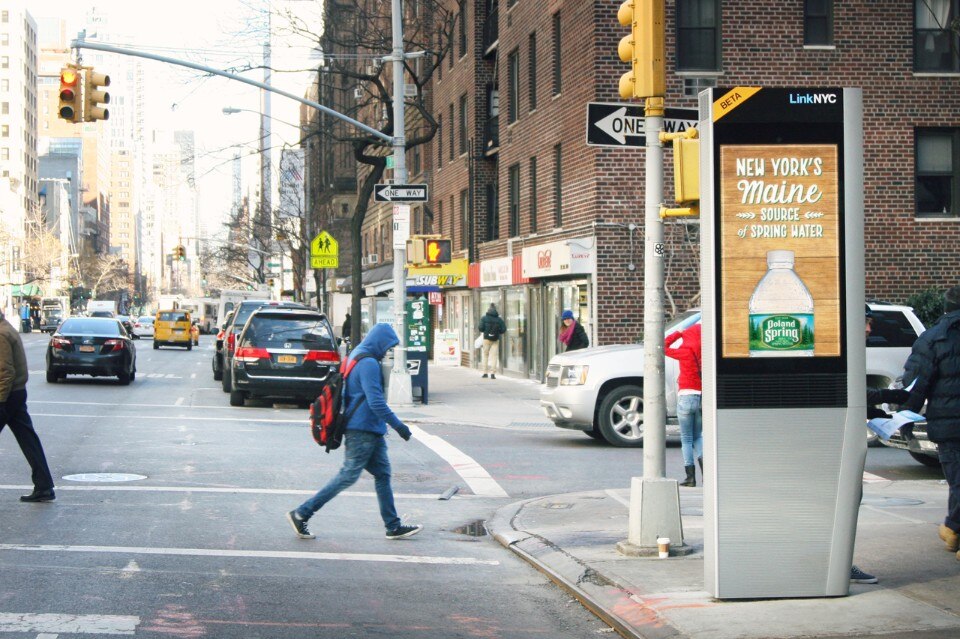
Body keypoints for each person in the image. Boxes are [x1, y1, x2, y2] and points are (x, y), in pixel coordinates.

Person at [287, 323, 421, 540]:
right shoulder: (368, 363)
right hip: (363, 429)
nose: (387, 352)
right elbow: (375, 402)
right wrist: (399, 426)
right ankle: (302, 513)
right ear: (379, 342)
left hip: (367, 428)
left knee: (382, 475)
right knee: (348, 475)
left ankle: (393, 525)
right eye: (387, 347)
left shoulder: (356, 355)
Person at [900, 285, 960, 563]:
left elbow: (915, 385)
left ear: (945, 308)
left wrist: (905, 419)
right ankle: (953, 529)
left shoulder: (933, 339)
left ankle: (953, 529)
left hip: (950, 427)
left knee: (957, 480)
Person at [0, 308, 56, 502]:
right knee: (28, 440)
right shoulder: (6, 328)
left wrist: (1, 401)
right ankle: (44, 485)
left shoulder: (1, 333)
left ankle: (44, 486)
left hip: (7, 397)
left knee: (28, 439)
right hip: (15, 394)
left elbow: (5, 372)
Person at [664, 323, 702, 487]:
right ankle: (707, 476)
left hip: (686, 397)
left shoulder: (684, 352)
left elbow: (663, 347)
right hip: (700, 397)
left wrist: (679, 333)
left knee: (686, 439)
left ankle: (690, 478)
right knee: (698, 437)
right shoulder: (704, 353)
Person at [477, 304, 506, 379]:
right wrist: (497, 332)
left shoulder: (484, 318)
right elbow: (504, 329)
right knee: (494, 356)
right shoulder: (499, 319)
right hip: (495, 339)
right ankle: (493, 374)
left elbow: (480, 328)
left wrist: (485, 331)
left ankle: (485, 373)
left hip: (486, 339)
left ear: (488, 310)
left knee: (485, 355)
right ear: (496, 311)